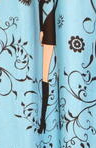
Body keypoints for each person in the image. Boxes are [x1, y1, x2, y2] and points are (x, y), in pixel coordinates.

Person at [38, 0, 57, 133]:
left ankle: (43, 119)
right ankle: (43, 119)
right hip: (50, 29)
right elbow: (40, 5)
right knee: (45, 75)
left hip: (53, 27)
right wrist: (41, 29)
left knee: (46, 76)